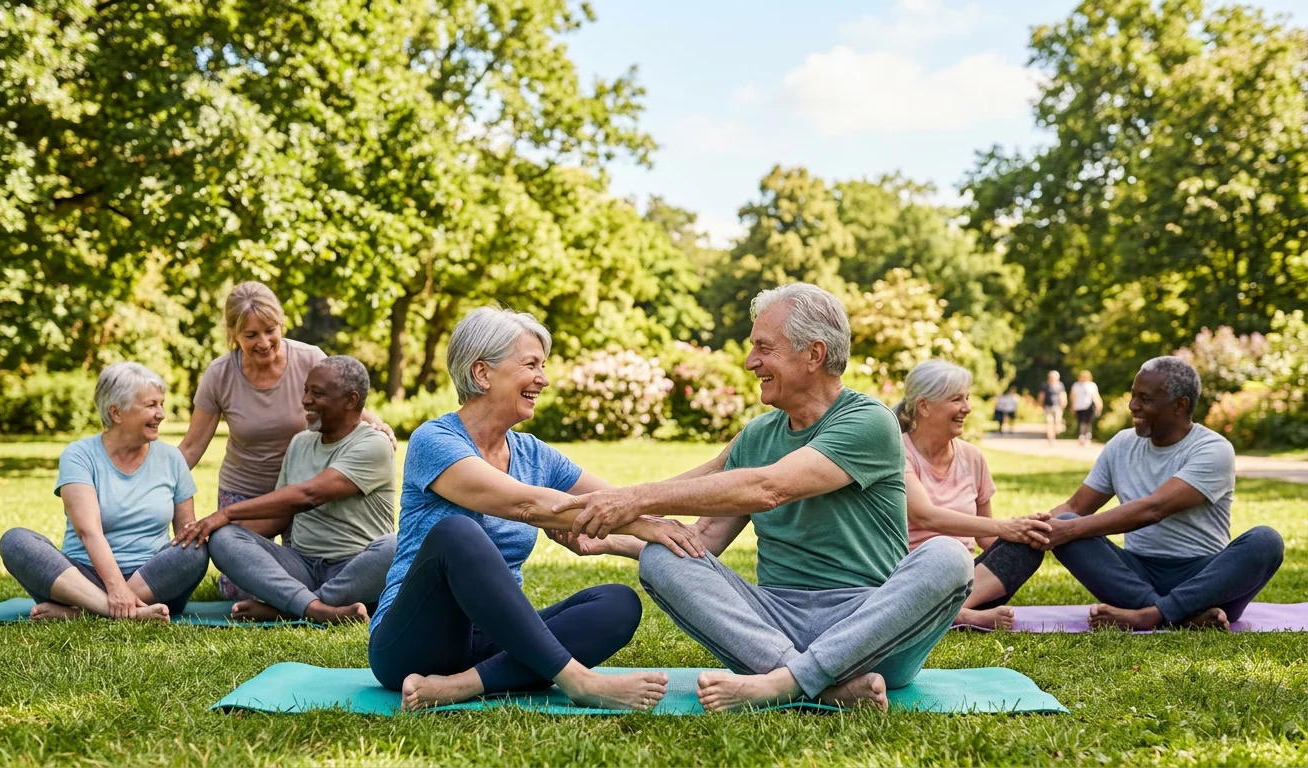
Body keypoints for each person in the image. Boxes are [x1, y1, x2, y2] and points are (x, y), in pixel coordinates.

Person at [553, 283, 975, 712]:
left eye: (764, 348)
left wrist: (632, 500)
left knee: (950, 556)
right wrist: (610, 539)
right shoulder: (757, 436)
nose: (751, 361)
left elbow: (768, 488)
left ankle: (785, 684)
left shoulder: (869, 421)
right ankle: (817, 685)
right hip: (773, 628)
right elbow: (702, 538)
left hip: (870, 633)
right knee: (662, 556)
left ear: (814, 354)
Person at [366, 307, 698, 712]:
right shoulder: (434, 441)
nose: (543, 378)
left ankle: (462, 686)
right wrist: (643, 526)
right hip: (411, 643)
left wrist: (633, 539)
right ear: (482, 373)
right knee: (458, 533)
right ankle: (577, 681)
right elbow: (524, 504)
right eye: (530, 364)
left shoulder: (534, 454)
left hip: (493, 640)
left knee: (617, 603)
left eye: (544, 365)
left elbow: (617, 499)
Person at [176, 282, 394, 600]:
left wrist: (379, 427)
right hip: (249, 489)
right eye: (251, 335)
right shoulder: (221, 374)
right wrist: (154, 479)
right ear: (234, 334)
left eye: (270, 330)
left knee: (391, 548)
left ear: (281, 324)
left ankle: (301, 602)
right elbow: (192, 446)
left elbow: (343, 396)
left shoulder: (310, 359)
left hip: (308, 494)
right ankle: (316, 600)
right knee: (237, 581)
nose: (264, 342)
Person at [1036, 356, 1284, 630]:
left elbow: (1154, 509)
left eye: (1145, 398)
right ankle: (1183, 616)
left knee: (1266, 541)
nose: (1133, 406)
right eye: (1133, 396)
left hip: (1205, 580)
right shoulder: (1121, 444)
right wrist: (1022, 529)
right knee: (1068, 521)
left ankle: (1149, 616)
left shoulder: (1213, 449)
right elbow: (1077, 504)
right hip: (1136, 576)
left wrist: (1068, 531)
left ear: (1180, 405)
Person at [0, 363, 208, 622]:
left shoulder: (172, 459)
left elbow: (185, 533)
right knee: (16, 541)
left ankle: (82, 612)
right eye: (151, 405)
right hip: (83, 576)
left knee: (196, 548)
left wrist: (178, 567)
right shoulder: (79, 456)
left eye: (161, 404)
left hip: (152, 579)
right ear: (116, 412)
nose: (162, 414)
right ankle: (117, 610)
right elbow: (89, 531)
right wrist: (115, 589)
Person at [895, 361, 1050, 630]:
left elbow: (985, 538)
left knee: (1025, 549)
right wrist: (1006, 527)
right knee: (937, 562)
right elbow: (924, 515)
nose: (967, 408)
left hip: (968, 582)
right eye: (957, 399)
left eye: (967, 398)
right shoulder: (898, 453)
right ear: (924, 406)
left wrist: (1027, 533)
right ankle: (955, 615)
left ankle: (947, 613)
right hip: (911, 576)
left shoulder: (972, 457)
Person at [1070, 370, 1102, 446]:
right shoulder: (1076, 385)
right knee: (1081, 422)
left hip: (1088, 406)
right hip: (1079, 406)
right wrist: (1072, 406)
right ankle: (1081, 436)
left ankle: (1087, 437)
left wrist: (1098, 404)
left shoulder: (1092, 385)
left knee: (1088, 422)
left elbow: (1095, 396)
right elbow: (1073, 396)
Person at [1040, 371, 1067, 444]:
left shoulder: (1060, 385)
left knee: (1057, 422)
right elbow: (1042, 395)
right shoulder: (1045, 385)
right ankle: (1050, 438)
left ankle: (1054, 435)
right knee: (1049, 422)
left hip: (1057, 407)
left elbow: (1063, 394)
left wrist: (1064, 402)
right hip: (1048, 406)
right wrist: (1040, 404)